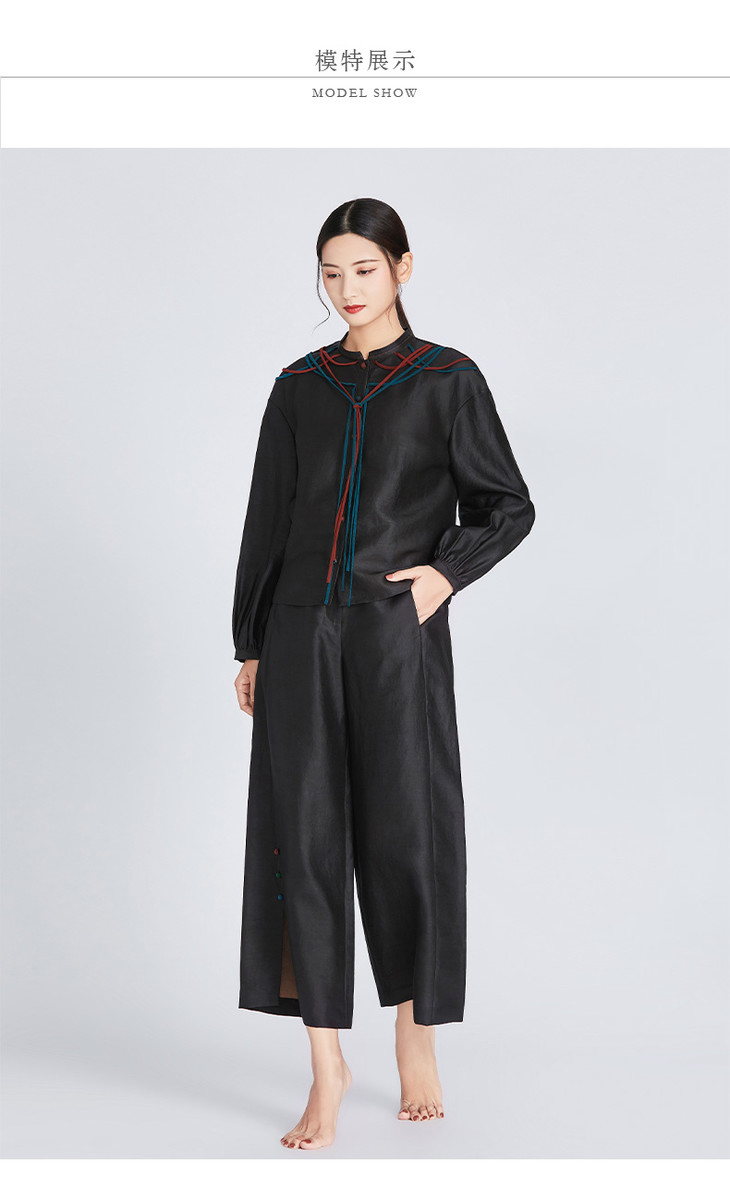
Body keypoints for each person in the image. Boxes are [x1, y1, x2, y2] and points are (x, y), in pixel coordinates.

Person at [232, 197, 536, 1150]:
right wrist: (249, 643)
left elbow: (508, 504)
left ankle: (415, 1035)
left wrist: (445, 574)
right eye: (331, 273)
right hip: (297, 635)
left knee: (409, 833)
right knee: (304, 836)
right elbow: (268, 521)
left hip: (394, 634)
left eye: (364, 269)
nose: (346, 289)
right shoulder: (299, 385)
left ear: (403, 267)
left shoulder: (447, 379)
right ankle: (326, 1065)